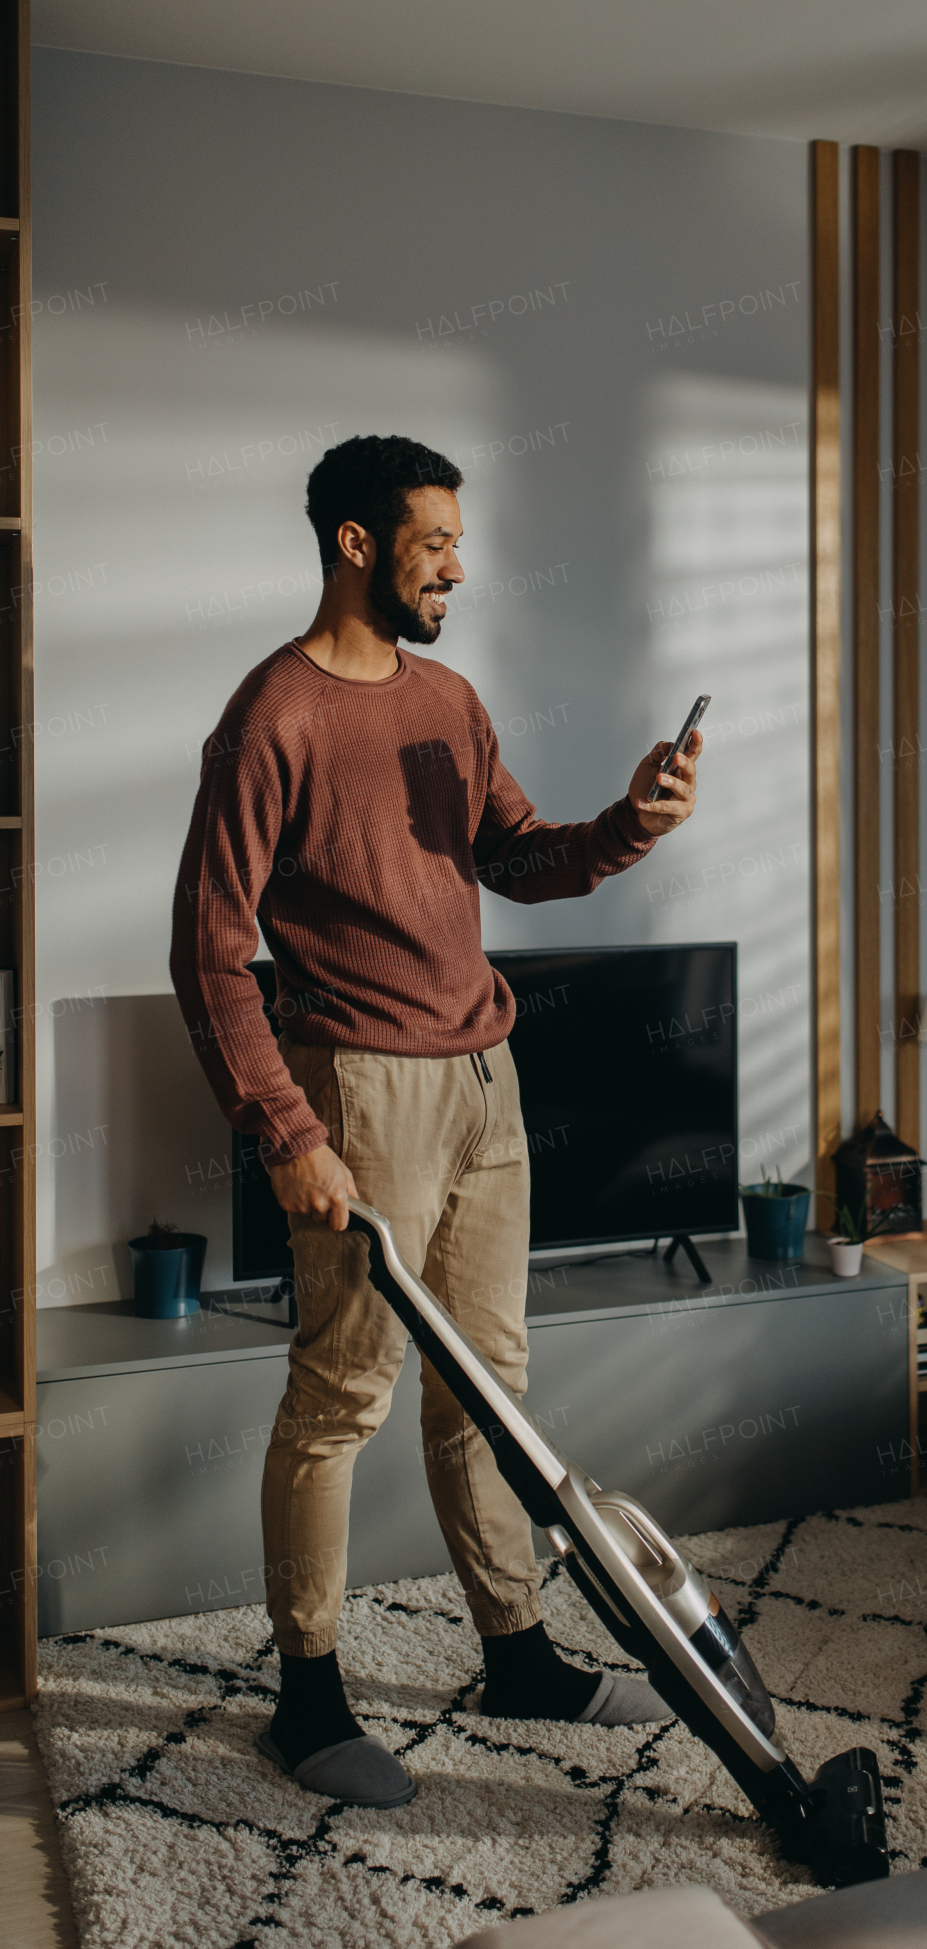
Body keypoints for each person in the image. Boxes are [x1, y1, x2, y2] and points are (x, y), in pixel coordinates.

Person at [170, 434, 702, 1808]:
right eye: (433, 542)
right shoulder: (271, 715)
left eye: (459, 541)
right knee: (342, 1393)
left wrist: (630, 822)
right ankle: (309, 1694)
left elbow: (518, 857)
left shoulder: (452, 701)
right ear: (356, 545)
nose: (458, 564)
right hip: (359, 1088)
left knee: (492, 1387)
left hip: (484, 1078)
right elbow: (210, 950)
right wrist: (287, 1129)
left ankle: (515, 1650)